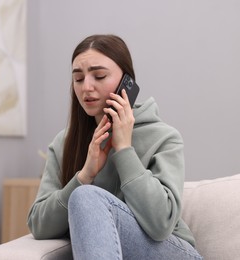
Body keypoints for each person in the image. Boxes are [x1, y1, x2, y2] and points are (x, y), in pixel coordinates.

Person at [27, 34, 203, 260]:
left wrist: (124, 150)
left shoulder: (164, 137)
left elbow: (161, 225)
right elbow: (39, 225)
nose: (86, 87)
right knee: (83, 194)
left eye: (99, 76)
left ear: (126, 82)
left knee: (86, 197)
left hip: (172, 251)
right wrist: (84, 175)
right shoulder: (63, 143)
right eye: (78, 79)